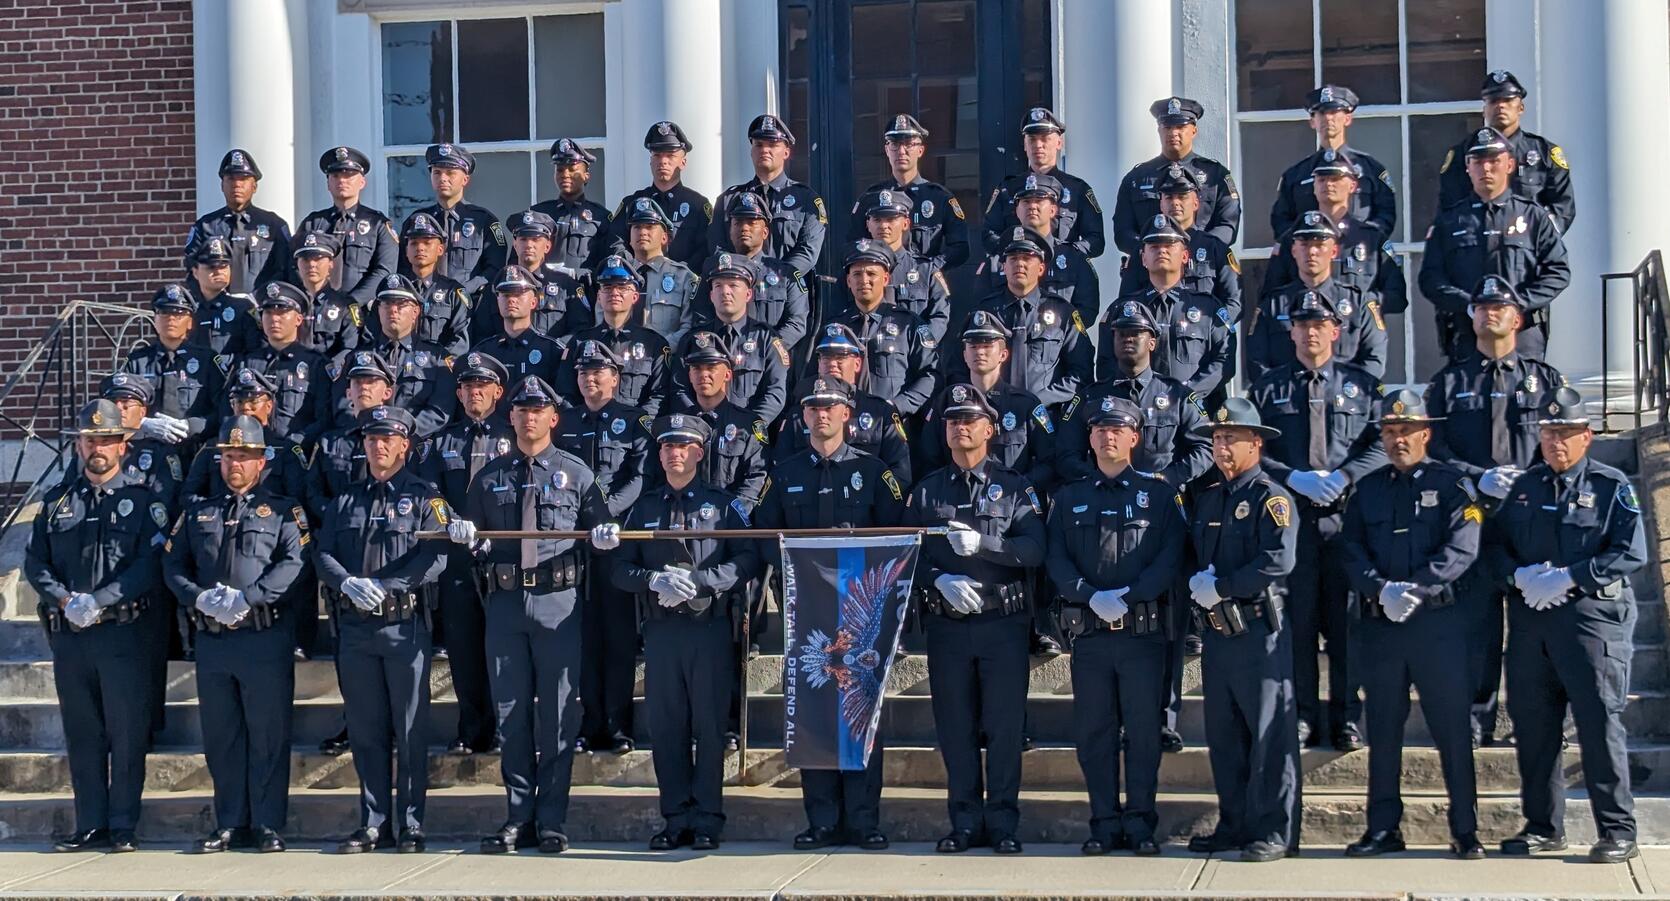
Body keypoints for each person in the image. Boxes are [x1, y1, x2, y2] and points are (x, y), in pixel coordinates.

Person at [446, 376, 619, 855]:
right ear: (512, 417)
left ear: (553, 418)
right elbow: (476, 541)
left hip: (557, 604)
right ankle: (518, 816)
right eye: (521, 410)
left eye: (538, 410)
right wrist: (470, 538)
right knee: (512, 713)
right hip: (504, 605)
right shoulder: (489, 477)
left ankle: (551, 820)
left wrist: (605, 534)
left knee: (561, 713)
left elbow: (599, 528)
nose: (529, 417)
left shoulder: (577, 473)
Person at [1486, 386, 1647, 863]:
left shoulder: (1610, 484)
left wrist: (1572, 577)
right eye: (1549, 432)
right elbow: (1493, 548)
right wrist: (1516, 575)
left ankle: (1618, 830)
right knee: (1535, 729)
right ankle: (1543, 826)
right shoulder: (1524, 488)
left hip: (1592, 624)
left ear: (1587, 436)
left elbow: (1630, 551)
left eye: (1566, 433)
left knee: (1599, 726)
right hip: (1532, 625)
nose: (1556, 441)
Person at [753, 376, 907, 851]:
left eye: (831, 407)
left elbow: (897, 535)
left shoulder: (875, 470)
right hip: (809, 618)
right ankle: (821, 820)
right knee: (814, 714)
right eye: (814, 408)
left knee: (862, 713)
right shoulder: (784, 473)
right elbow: (763, 536)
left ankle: (864, 821)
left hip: (860, 618)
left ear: (847, 415)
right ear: (803, 417)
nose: (822, 415)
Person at [1339, 390, 1485, 860]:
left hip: (1438, 624)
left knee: (1451, 729)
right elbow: (1350, 548)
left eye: (1407, 430)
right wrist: (1379, 588)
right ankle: (1383, 829)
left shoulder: (1454, 485)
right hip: (1382, 624)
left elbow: (1462, 549)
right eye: (1390, 431)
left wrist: (1416, 589)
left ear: (1427, 433)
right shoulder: (1368, 488)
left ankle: (1465, 829)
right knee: (1383, 729)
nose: (1398, 439)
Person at [1060, 302, 1213, 751]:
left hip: (1161, 522)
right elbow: (1065, 453)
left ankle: (1163, 719)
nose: (1129, 339)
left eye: (1138, 333)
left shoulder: (1179, 394)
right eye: (1121, 332)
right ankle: (1119, 721)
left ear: (1153, 341)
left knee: (1167, 625)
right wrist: (1095, 481)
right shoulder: (1090, 397)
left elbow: (1203, 449)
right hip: (1105, 526)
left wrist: (1167, 480)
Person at [902, 384, 1044, 855]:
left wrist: (986, 544)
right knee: (955, 728)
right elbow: (908, 556)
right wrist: (936, 580)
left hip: (1002, 625)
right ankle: (963, 822)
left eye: (969, 420)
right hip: (947, 626)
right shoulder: (927, 492)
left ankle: (1002, 822)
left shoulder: (1016, 487)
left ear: (989, 429)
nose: (960, 427)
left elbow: (1034, 550)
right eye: (952, 420)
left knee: (1004, 729)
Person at [1424, 277, 1566, 746]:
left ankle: (1544, 723)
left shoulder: (1544, 380)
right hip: (1474, 519)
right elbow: (1434, 448)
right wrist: (1474, 476)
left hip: (1530, 519)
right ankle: (1474, 722)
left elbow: (1562, 446)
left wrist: (1530, 482)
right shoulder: (1449, 381)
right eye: (1482, 306)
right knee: (1476, 626)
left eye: (1500, 307)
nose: (1490, 313)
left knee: (1538, 626)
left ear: (1518, 319)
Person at [614, 413, 762, 851]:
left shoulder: (722, 505)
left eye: (682, 446)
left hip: (709, 627)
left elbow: (749, 559)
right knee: (667, 725)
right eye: (665, 447)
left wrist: (703, 582)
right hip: (662, 633)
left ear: (698, 452)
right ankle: (675, 816)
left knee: (710, 726)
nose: (673, 453)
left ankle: (708, 820)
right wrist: (652, 579)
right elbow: (620, 568)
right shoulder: (644, 507)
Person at [1246, 292, 1386, 750]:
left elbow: (1382, 444)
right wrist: (1294, 479)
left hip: (1347, 525)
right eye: (1301, 324)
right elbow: (1253, 451)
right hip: (1293, 524)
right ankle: (1303, 715)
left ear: (1335, 331)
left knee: (1348, 627)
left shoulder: (1362, 386)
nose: (1310, 332)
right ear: (1290, 333)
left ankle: (1348, 717)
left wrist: (1345, 475)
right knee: (1299, 625)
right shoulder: (1268, 389)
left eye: (1318, 324)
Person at [1047, 395, 1186, 856]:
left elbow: (1170, 559)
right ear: (1089, 437)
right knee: (1094, 732)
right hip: (1089, 636)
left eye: (1117, 429)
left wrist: (1129, 597)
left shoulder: (1160, 495)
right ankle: (1104, 824)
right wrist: (1090, 595)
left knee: (1144, 734)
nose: (1108, 436)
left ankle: (1142, 825)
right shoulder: (1069, 497)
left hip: (1143, 637)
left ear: (1134, 438)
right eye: (1099, 429)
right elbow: (1056, 559)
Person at [25, 400, 166, 853]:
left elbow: (148, 564)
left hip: (123, 634)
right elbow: (35, 562)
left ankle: (123, 825)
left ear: (123, 445)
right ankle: (90, 824)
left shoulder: (144, 501)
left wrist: (101, 600)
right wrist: (65, 599)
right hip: (71, 636)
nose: (97, 448)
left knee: (126, 733)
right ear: (79, 446)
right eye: (89, 440)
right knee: (83, 733)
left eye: (106, 440)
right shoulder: (57, 502)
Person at [164, 416, 309, 854]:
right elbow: (173, 565)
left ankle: (266, 823)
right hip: (213, 640)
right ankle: (229, 821)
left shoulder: (285, 511)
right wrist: (200, 599)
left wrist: (250, 598)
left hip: (263, 637)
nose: (235, 464)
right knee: (222, 735)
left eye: (244, 456)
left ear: (262, 461)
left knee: (267, 734)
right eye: (228, 456)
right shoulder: (198, 511)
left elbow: (295, 563)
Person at [313, 405, 447, 853]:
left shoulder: (428, 498)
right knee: (367, 731)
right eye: (372, 438)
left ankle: (410, 822)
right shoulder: (346, 499)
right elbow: (323, 552)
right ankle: (373, 822)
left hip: (403, 626)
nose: (379, 445)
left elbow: (436, 557)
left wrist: (387, 586)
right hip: (355, 628)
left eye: (388, 438)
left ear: (405, 444)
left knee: (410, 730)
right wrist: (346, 582)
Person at [1184, 398, 1301, 862]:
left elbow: (1278, 561)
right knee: (1226, 736)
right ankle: (1234, 824)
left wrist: (1225, 587)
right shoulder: (1211, 497)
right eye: (1216, 438)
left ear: (1255, 443)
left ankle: (1274, 831)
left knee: (1269, 736)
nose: (1221, 446)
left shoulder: (1269, 497)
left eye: (1230, 438)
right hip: (1218, 633)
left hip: (1257, 631)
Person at [413, 351, 514, 756]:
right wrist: (452, 522)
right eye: (469, 387)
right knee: (464, 651)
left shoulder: (515, 435)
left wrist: (494, 532)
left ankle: (509, 730)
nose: (476, 393)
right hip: (457, 560)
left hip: (502, 557)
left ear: (497, 392)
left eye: (483, 386)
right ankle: (472, 729)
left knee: (505, 651)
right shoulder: (441, 442)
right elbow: (430, 494)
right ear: (458, 392)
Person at [552, 341, 649, 753]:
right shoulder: (566, 421)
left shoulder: (634, 420)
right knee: (584, 640)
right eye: (583, 372)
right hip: (575, 546)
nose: (590, 379)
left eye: (598, 372)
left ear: (616, 377)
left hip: (617, 543)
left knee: (619, 640)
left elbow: (640, 477)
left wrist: (604, 514)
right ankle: (589, 725)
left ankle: (619, 726)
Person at [1420, 127, 1570, 361]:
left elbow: (1558, 271)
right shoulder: (1449, 221)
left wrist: (1519, 303)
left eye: (1494, 161)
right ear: (1468, 168)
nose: (1486, 169)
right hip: (1467, 331)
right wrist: (1471, 306)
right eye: (1478, 162)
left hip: (1523, 334)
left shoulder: (1533, 217)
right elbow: (1431, 278)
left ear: (1509, 165)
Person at [950, 228, 1090, 412]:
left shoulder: (1063, 313)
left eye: (1027, 258)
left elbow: (1081, 373)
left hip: (1046, 416)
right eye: (1013, 259)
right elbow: (958, 367)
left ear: (1041, 268)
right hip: (992, 415)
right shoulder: (984, 312)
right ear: (1004, 267)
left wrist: (1041, 399)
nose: (1020, 264)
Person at [918, 315, 1061, 492]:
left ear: (1003, 354)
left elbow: (1048, 462)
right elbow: (929, 460)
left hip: (1011, 507)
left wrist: (1016, 489)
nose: (980, 352)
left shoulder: (1025, 405)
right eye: (973, 346)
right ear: (964, 354)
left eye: (987, 346)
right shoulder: (946, 403)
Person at [1246, 210, 1388, 382]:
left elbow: (1374, 359)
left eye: (1320, 244)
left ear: (1334, 251)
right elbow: (1257, 361)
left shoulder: (1359, 302)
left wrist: (1348, 394)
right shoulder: (1273, 304)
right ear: (1293, 251)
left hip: (1345, 402)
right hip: (1287, 402)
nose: (1312, 252)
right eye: (1304, 244)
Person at [1263, 151, 1407, 320]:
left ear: (1353, 186)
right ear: (1314, 187)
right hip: (1306, 334)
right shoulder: (1292, 240)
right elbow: (1270, 298)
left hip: (1356, 333)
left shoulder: (1373, 240)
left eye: (1335, 178)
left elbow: (1397, 297)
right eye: (1321, 179)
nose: (1328, 184)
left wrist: (1359, 303)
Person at [1099, 216, 1230, 399]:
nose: (1162, 251)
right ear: (1144, 258)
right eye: (1154, 246)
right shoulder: (1120, 310)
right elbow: (1106, 365)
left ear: (1185, 256)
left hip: (1195, 414)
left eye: (1169, 245)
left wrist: (1186, 395)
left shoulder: (1209, 309)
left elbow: (1224, 361)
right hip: (1137, 413)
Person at [1438, 70, 1575, 235]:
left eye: (1508, 100)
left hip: (1529, 252)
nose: (1500, 106)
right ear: (1484, 110)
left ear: (1521, 108)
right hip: (1479, 248)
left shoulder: (1545, 153)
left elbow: (1562, 207)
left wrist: (1538, 239)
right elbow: (1450, 205)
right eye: (1494, 100)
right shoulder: (1464, 153)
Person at [777, 326, 912, 484]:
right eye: (826, 357)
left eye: (840, 357)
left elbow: (900, 473)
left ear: (857, 364)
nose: (832, 364)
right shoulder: (800, 413)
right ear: (819, 363)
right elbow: (781, 470)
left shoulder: (881, 413)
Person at [673, 253, 791, 427]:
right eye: (718, 286)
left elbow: (775, 392)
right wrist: (698, 422)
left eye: (733, 285)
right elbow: (679, 388)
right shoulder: (693, 339)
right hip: (699, 433)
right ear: (711, 295)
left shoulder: (767, 339)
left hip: (747, 436)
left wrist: (748, 426)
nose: (725, 292)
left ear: (749, 294)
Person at [1112, 98, 1239, 258]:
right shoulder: (1136, 178)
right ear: (1159, 130)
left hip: (1203, 266)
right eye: (1167, 127)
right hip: (1152, 271)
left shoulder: (1215, 175)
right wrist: (1154, 249)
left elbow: (1228, 224)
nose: (1173, 133)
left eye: (1180, 127)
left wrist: (1196, 246)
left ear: (1194, 130)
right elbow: (1123, 232)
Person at [1115, 163, 1241, 325]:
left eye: (1182, 196)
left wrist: (1209, 330)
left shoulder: (1215, 248)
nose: (1175, 203)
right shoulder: (1144, 249)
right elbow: (1126, 303)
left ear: (1196, 203)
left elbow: (1235, 303)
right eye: (1168, 197)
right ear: (1161, 204)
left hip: (1199, 342)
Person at [825, 240, 940, 417]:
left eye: (871, 273)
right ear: (848, 281)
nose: (864, 280)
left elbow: (931, 374)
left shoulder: (909, 325)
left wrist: (898, 407)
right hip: (843, 427)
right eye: (857, 274)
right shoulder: (835, 329)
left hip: (893, 426)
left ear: (886, 278)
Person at [334, 274, 457, 438]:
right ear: (379, 310)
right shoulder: (358, 357)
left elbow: (440, 410)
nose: (393, 310)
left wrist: (401, 435)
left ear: (415, 312)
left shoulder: (437, 358)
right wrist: (370, 433)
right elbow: (343, 405)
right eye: (387, 304)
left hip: (415, 447)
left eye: (401, 304)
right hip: (367, 444)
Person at [1270, 86, 1396, 239]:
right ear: (1312, 122)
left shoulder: (1371, 169)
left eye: (1334, 112)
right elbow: (1281, 221)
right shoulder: (1295, 175)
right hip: (1312, 256)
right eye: (1321, 113)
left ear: (1348, 119)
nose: (1328, 118)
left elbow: (1386, 215)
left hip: (1358, 254)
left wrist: (1366, 238)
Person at [555, 255, 672, 416]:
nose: (614, 293)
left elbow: (659, 396)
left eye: (622, 287)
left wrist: (635, 425)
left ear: (635, 297)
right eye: (607, 287)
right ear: (599, 296)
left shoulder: (654, 344)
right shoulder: (579, 342)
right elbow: (565, 394)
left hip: (633, 434)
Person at [710, 114, 826, 277]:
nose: (764, 150)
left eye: (772, 144)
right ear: (751, 152)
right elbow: (718, 247)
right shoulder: (728, 200)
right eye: (758, 145)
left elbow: (807, 251)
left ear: (786, 152)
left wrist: (776, 278)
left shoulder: (806, 199)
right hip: (740, 290)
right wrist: (744, 276)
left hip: (787, 292)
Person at [662, 331, 769, 507]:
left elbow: (756, 477)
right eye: (696, 368)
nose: (703, 375)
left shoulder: (747, 425)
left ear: (727, 375)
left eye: (711, 368)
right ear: (689, 375)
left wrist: (729, 516)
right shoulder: (677, 425)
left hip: (729, 524)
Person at [851, 113, 969, 269]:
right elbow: (854, 244)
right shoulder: (870, 198)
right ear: (887, 150)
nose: (901, 151)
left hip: (925, 290)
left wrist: (928, 269)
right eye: (895, 144)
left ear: (920, 150)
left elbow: (960, 248)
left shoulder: (939, 198)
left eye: (908, 144)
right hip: (883, 286)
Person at [983, 107, 1104, 259]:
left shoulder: (1078, 190)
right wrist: (1014, 251)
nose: (1038, 145)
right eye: (1032, 139)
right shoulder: (1008, 189)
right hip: (1019, 273)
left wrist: (1067, 253)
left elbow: (1096, 240)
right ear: (1025, 145)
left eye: (1045, 138)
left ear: (1059, 143)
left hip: (1062, 274)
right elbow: (988, 235)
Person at [121, 283, 227, 454]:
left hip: (194, 450)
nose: (170, 319)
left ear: (190, 322)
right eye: (164, 313)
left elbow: (223, 409)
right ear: (155, 319)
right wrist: (143, 424)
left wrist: (192, 426)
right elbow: (118, 408)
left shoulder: (207, 360)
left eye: (178, 314)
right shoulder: (136, 362)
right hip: (147, 452)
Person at [698, 191, 809, 354]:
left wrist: (766, 350)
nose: (744, 228)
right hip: (721, 358)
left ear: (765, 232)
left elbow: (796, 323)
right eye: (738, 222)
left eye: (752, 222)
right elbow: (701, 316)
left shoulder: (786, 273)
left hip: (770, 360)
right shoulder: (712, 269)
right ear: (730, 230)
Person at [400, 143, 507, 301]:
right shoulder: (417, 220)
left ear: (465, 179)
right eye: (437, 173)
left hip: (469, 307)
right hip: (425, 305)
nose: (443, 178)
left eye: (450, 173)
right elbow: (403, 265)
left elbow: (495, 268)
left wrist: (464, 291)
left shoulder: (484, 221)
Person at [294, 146, 398, 308]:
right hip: (317, 309)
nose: (342, 181)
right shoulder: (312, 223)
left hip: (361, 311)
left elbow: (384, 269)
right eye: (335, 176)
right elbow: (294, 266)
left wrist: (352, 302)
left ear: (362, 182)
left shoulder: (377, 223)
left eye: (348, 175)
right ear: (328, 183)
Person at [238, 282, 333, 447]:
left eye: (282, 312)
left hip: (295, 455)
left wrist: (296, 442)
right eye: (268, 312)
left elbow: (324, 418)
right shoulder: (248, 363)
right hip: (252, 454)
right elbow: (229, 411)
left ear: (298, 319)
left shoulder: (315, 364)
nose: (274, 318)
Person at [999, 173, 1100, 329]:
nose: (1032, 206)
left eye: (1039, 201)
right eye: (1026, 201)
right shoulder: (999, 260)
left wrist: (1057, 333)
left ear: (1053, 210)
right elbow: (987, 308)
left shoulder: (1075, 259)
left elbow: (1088, 310)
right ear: (1017, 211)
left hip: (1058, 346)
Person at [185, 149, 292, 296]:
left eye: (243, 179)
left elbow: (288, 270)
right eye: (231, 179)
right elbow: (192, 271)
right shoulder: (205, 226)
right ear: (222, 186)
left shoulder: (274, 225)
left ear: (254, 187)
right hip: (219, 309)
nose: (237, 185)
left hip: (262, 308)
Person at [609, 120, 713, 269]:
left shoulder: (698, 205)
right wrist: (635, 268)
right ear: (650, 161)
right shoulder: (631, 203)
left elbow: (705, 249)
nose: (663, 161)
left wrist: (678, 273)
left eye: (670, 156)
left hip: (683, 286)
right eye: (657, 155)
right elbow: (615, 243)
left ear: (683, 162)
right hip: (639, 283)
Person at [472, 211, 590, 340]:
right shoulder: (497, 286)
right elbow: (481, 332)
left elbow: (581, 329)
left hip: (553, 358)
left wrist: (556, 349)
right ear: (515, 245)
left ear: (547, 246)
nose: (529, 245)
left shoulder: (566, 285)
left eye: (535, 239)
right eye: (523, 239)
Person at [857, 188, 952, 344]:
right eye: (877, 219)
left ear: (905, 223)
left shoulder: (926, 270)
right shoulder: (855, 272)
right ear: (868, 224)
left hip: (912, 359)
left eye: (891, 219)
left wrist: (920, 347)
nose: (883, 225)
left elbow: (939, 316)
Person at [380, 212, 473, 357]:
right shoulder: (391, 290)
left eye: (427, 242)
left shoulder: (453, 292)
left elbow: (460, 340)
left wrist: (436, 364)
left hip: (435, 372)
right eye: (414, 243)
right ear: (406, 250)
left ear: (440, 249)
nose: (420, 248)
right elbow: (376, 334)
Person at [470, 265, 567, 387]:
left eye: (518, 294)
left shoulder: (552, 351)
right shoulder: (484, 352)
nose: (511, 300)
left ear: (533, 302)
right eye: (505, 295)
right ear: (497, 301)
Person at [621, 198, 701, 345]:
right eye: (637, 227)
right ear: (630, 238)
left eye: (649, 227)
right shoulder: (617, 276)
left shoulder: (683, 277)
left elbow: (689, 326)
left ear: (664, 237)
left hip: (664, 359)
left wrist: (659, 350)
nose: (643, 232)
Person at [531, 139, 613, 273]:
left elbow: (608, 265)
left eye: (572, 169)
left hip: (585, 290)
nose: (565, 175)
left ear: (586, 176)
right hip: (544, 290)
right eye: (560, 170)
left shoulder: (602, 217)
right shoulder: (538, 214)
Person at [187, 236, 262, 359]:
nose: (218, 272)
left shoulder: (243, 308)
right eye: (211, 267)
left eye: (224, 266)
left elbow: (255, 351)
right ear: (195, 272)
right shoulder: (188, 310)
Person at [291, 233, 361, 361]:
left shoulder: (346, 305)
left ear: (331, 263)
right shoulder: (288, 304)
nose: (312, 264)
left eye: (318, 258)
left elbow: (351, 346)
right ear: (298, 263)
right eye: (305, 259)